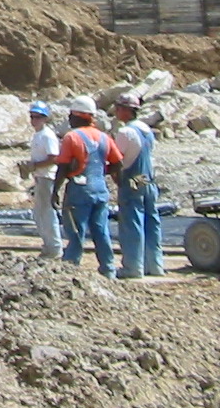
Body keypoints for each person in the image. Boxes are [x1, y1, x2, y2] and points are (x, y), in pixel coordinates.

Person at [53, 95, 122, 277]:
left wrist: (55, 191)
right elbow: (117, 163)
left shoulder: (72, 138)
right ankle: (109, 271)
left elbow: (62, 167)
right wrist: (99, 171)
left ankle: (69, 270)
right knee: (101, 232)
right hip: (100, 190)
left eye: (71, 115)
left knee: (76, 233)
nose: (69, 119)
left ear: (78, 115)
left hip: (79, 191)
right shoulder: (104, 137)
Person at [111, 91, 164, 278]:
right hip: (147, 178)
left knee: (132, 220)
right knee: (151, 221)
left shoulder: (126, 132)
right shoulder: (146, 130)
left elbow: (117, 160)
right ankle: (155, 265)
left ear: (127, 111)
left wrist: (113, 175)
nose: (116, 112)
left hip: (133, 179)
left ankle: (133, 267)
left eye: (118, 108)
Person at [27, 101, 63, 259]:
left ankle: (54, 248)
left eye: (37, 117)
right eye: (32, 117)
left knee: (47, 213)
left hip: (47, 177)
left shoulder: (47, 136)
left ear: (44, 118)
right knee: (40, 213)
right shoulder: (38, 135)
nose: (34, 120)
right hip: (41, 177)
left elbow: (54, 158)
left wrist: (35, 166)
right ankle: (48, 245)